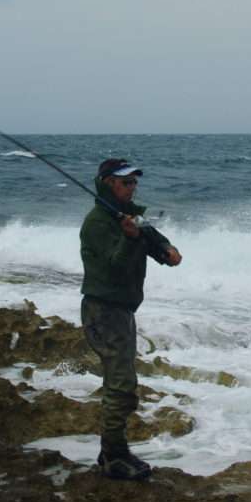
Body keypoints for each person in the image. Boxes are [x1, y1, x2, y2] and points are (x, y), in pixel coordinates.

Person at [80, 158, 182, 480]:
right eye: (126, 182)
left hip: (122, 310)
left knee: (121, 381)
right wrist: (128, 238)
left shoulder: (131, 217)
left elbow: (152, 238)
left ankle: (111, 451)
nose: (132, 186)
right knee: (121, 385)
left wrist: (166, 250)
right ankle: (114, 456)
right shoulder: (97, 223)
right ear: (108, 183)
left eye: (134, 181)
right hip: (104, 310)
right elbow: (115, 268)